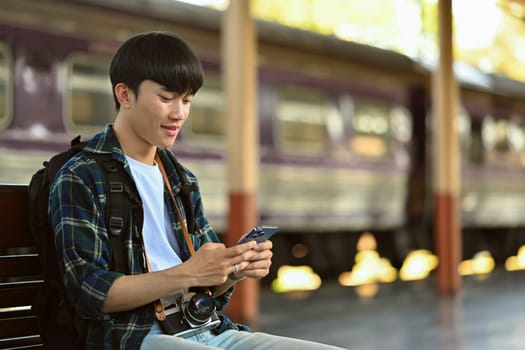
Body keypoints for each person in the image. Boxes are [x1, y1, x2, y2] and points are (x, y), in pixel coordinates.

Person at [49, 31, 346, 350]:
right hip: (136, 337)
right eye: (166, 98)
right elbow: (88, 292)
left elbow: (208, 283)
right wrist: (187, 273)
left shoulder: (179, 178)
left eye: (187, 100)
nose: (179, 113)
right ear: (124, 94)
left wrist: (232, 270)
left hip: (208, 330)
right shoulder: (81, 176)